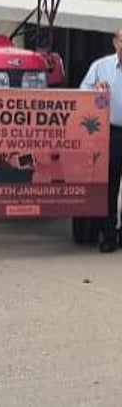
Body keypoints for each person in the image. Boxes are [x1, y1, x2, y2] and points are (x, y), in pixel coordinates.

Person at [79, 27, 122, 253]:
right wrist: (96, 90)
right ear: (115, 42)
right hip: (111, 132)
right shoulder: (101, 66)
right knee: (110, 186)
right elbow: (82, 91)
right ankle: (108, 235)